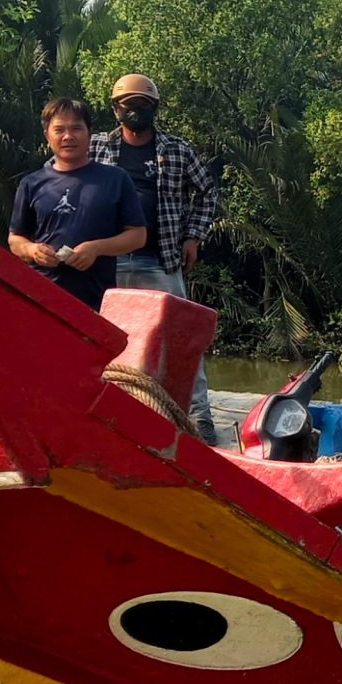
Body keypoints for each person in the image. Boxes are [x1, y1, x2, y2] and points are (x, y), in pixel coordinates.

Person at [92, 74, 225, 443]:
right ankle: (103, 415)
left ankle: (199, 418)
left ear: (155, 108)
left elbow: (208, 192)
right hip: (107, 260)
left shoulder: (177, 150)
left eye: (144, 105)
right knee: (102, 340)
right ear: (116, 108)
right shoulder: (98, 147)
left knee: (182, 340)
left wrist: (194, 235)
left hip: (160, 259)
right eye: (128, 104)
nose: (136, 111)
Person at [8, 97, 147, 313]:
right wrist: (33, 250)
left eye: (76, 129)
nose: (68, 137)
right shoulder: (31, 183)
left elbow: (137, 236)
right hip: (39, 302)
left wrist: (96, 248)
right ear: (47, 135)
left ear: (89, 133)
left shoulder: (115, 179)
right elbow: (15, 239)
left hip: (96, 303)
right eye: (59, 129)